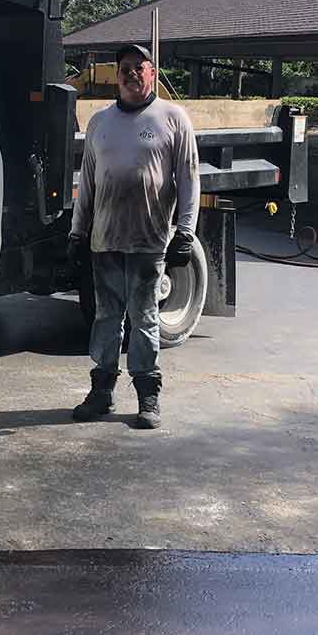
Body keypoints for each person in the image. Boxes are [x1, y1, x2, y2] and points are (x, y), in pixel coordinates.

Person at [68, 44, 199, 429]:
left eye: (139, 67)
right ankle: (101, 392)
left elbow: (189, 178)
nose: (131, 74)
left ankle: (147, 396)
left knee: (144, 318)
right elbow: (87, 182)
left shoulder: (173, 118)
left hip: (149, 241)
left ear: (152, 73)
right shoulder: (100, 122)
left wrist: (185, 232)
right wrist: (77, 232)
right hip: (104, 240)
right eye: (124, 68)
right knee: (106, 318)